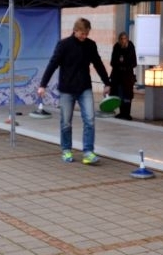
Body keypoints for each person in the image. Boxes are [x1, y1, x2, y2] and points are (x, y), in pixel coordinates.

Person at [37, 17, 111, 165]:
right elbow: (53, 64)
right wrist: (43, 84)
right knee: (66, 122)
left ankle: (88, 152)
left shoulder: (90, 45)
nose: (85, 36)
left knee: (90, 120)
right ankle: (66, 150)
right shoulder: (64, 45)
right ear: (75, 30)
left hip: (84, 88)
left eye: (87, 34)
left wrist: (107, 83)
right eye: (82, 33)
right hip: (67, 89)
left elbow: (98, 64)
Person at [109, 31, 137, 120]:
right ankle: (122, 112)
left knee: (127, 95)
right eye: (121, 39)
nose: (123, 41)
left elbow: (133, 62)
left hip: (127, 76)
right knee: (120, 94)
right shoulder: (116, 47)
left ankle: (127, 113)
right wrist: (120, 63)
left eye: (125, 39)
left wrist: (124, 63)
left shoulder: (131, 47)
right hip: (118, 75)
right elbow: (113, 62)